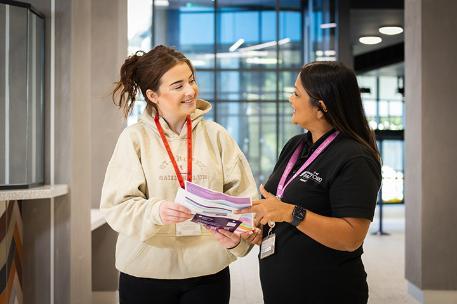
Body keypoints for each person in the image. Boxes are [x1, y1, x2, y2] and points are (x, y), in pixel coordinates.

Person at [100, 45, 258, 304]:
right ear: (153, 95)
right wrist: (156, 211)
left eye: (192, 81)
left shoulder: (217, 135)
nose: (190, 91)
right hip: (146, 272)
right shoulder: (134, 138)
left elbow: (244, 198)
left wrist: (238, 239)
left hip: (208, 270)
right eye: (178, 85)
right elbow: (117, 205)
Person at [238, 61, 382, 304]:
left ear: (320, 107)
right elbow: (281, 208)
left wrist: (290, 212)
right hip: (281, 290)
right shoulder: (296, 145)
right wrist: (260, 229)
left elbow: (351, 237)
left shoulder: (355, 157)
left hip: (328, 291)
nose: (290, 99)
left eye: (296, 93)